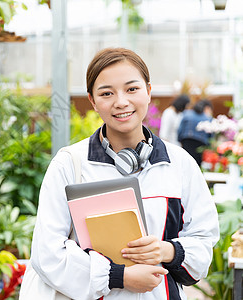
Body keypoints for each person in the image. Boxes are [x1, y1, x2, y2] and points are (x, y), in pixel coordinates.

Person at [20, 48, 219, 300]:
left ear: (148, 91)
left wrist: (166, 251)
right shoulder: (69, 164)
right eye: (106, 93)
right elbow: (47, 253)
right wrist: (119, 276)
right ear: (92, 101)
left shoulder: (180, 164)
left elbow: (203, 241)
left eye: (132, 89)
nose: (121, 102)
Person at [177, 99, 213, 166]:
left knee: (185, 163)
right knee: (196, 165)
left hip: (186, 141)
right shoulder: (207, 118)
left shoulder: (186, 114)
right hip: (200, 143)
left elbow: (180, 130)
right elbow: (210, 135)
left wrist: (179, 140)